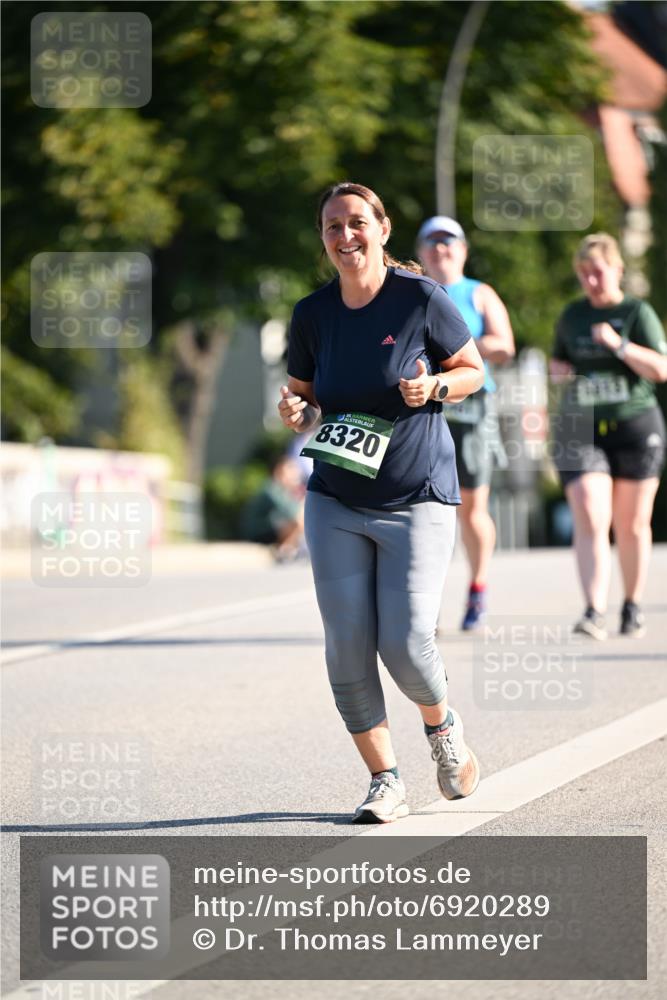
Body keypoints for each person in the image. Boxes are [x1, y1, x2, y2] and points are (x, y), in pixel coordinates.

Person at [277, 181, 485, 823]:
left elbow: (472, 370)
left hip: (416, 493)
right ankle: (384, 780)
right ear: (323, 238)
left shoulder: (420, 298)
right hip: (336, 496)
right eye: (333, 226)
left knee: (406, 643)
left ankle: (442, 728)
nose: (346, 236)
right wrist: (295, 411)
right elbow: (304, 394)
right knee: (346, 646)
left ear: (382, 229)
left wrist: (436, 387)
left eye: (357, 223)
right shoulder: (312, 314)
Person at [550, 233, 667, 639]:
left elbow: (660, 369)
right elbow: (559, 362)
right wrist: (558, 372)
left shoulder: (636, 312)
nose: (591, 281)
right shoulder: (572, 315)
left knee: (631, 524)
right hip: (582, 427)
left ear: (617, 269)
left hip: (635, 425)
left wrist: (620, 345)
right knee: (589, 510)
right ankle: (593, 610)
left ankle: (632, 605)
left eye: (597, 272)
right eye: (583, 274)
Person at [417, 216, 515, 629]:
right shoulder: (414, 292)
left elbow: (505, 345)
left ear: (462, 250)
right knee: (424, 507)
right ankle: (426, 600)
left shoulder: (478, 293)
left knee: (472, 508)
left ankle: (477, 587)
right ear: (421, 252)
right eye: (433, 243)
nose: (441, 250)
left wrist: (458, 347)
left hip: (472, 408)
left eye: (449, 242)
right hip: (425, 407)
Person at [240, 455, 305, 562]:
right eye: (290, 469)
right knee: (299, 522)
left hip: (271, 527)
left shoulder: (282, 489)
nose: (295, 474)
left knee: (301, 521)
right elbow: (293, 513)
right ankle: (285, 550)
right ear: (278, 471)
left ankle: (290, 549)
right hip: (258, 531)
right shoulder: (271, 488)